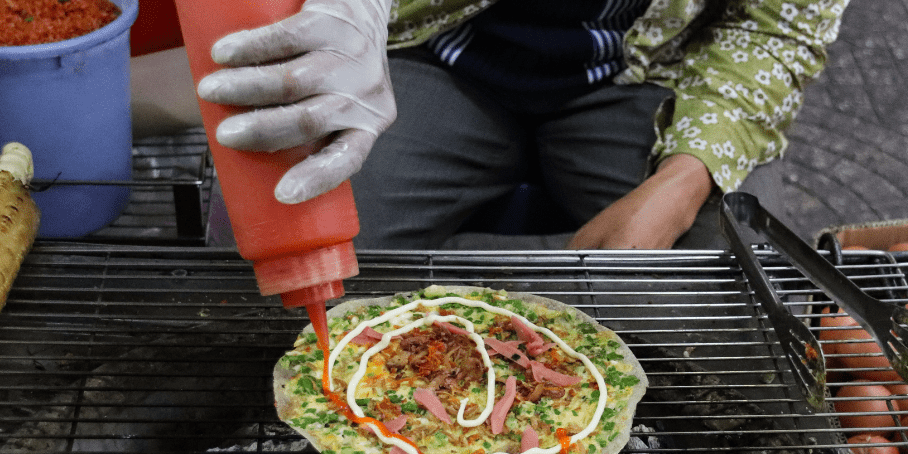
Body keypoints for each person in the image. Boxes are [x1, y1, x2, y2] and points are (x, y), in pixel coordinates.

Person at [194, 0, 850, 251]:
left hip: (644, 68)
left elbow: (776, 27)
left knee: (729, 268)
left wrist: (682, 182)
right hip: (426, 47)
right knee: (288, 230)